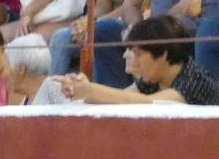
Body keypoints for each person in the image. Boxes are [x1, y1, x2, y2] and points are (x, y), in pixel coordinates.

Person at [65, 14, 219, 104]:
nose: (133, 60)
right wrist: (79, 90)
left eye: (139, 54)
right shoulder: (154, 77)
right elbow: (118, 98)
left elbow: (146, 104)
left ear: (163, 54)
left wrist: (91, 90)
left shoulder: (194, 81)